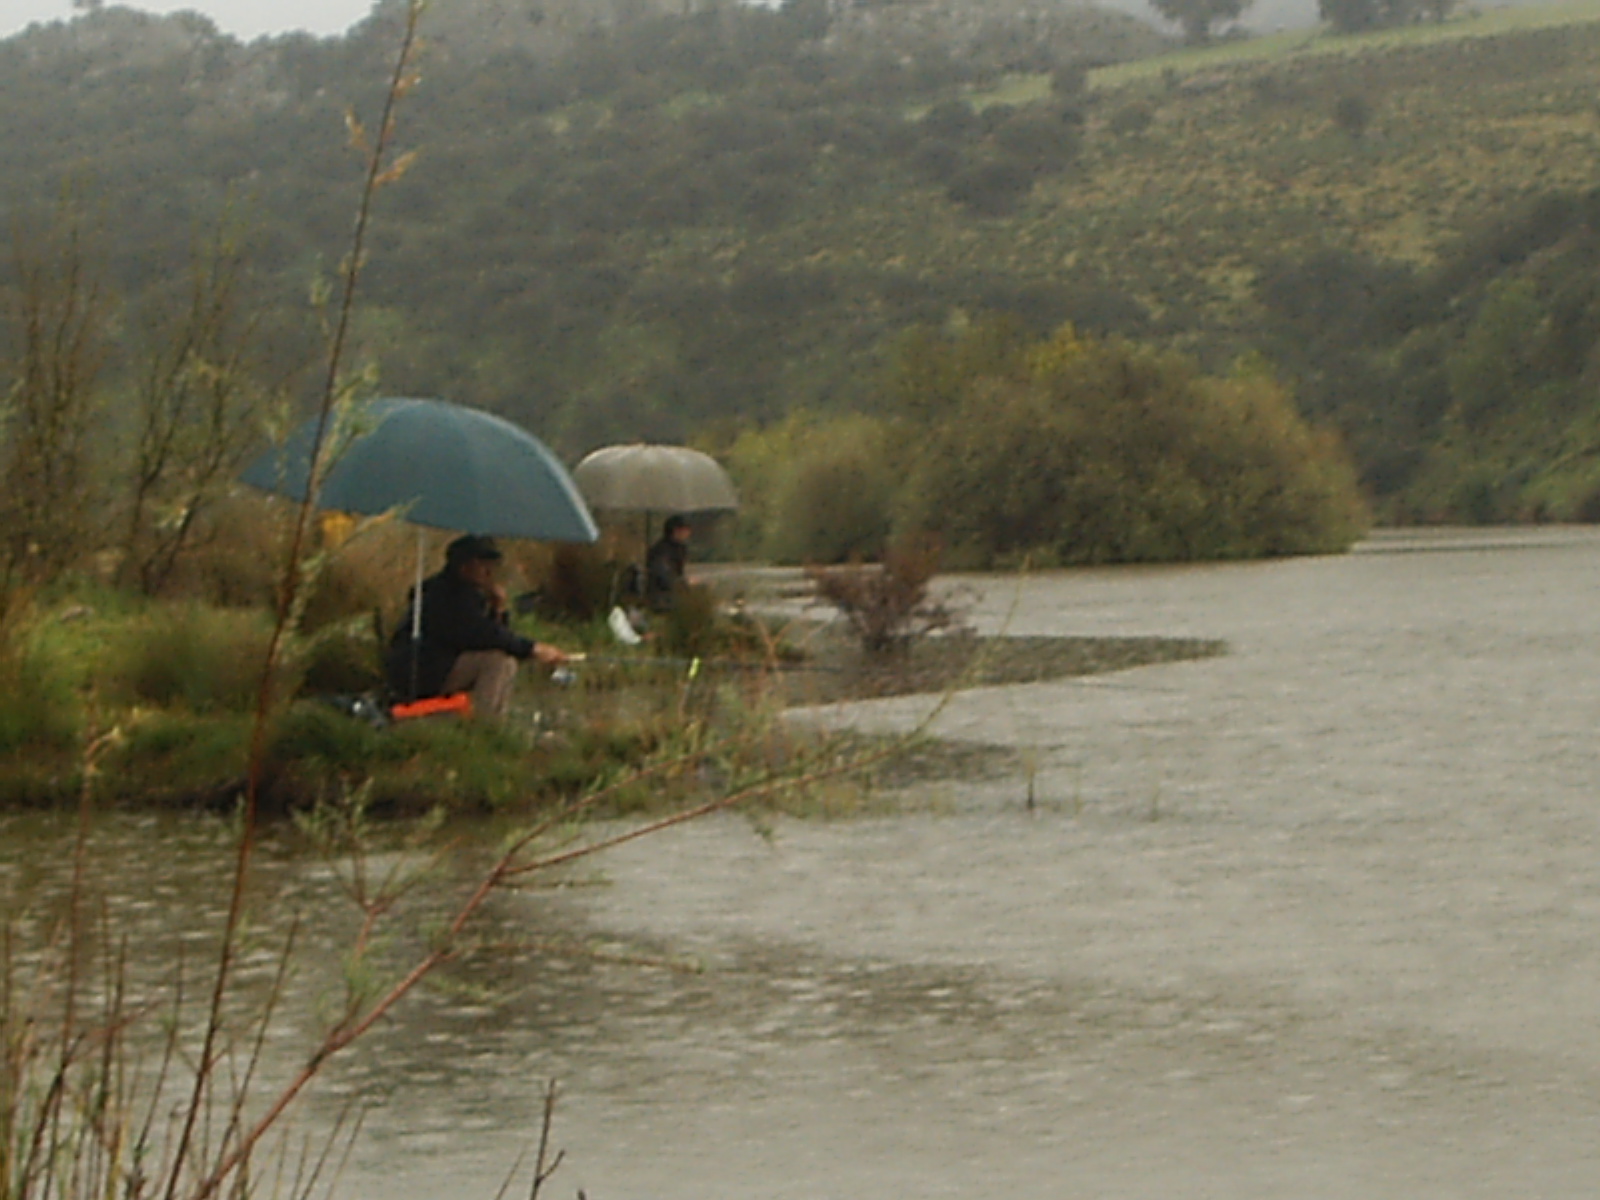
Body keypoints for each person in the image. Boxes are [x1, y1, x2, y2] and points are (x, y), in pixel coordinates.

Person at [386, 534, 567, 718]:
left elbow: (493, 635)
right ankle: (483, 724)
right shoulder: (447, 595)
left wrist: (498, 608)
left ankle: (492, 719)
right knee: (496, 664)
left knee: (506, 661)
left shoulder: (468, 594)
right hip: (422, 669)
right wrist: (532, 649)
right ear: (464, 567)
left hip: (442, 664)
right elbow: (482, 634)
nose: (489, 571)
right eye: (482, 564)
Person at [643, 514, 692, 613]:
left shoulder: (680, 548)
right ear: (675, 531)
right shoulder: (661, 550)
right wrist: (680, 583)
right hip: (661, 596)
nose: (687, 533)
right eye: (684, 530)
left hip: (674, 592)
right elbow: (662, 574)